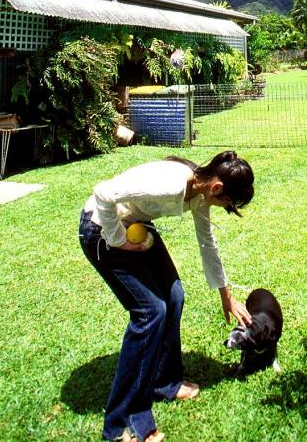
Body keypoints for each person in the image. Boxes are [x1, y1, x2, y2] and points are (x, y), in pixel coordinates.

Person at [79, 150, 254, 442]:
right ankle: (121, 424)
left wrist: (227, 295)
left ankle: (166, 382)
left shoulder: (199, 190)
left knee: (174, 296)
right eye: (226, 203)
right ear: (217, 188)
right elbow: (103, 193)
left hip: (134, 223)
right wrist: (118, 240)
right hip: (100, 228)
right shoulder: (171, 183)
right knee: (151, 311)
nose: (222, 207)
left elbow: (207, 244)